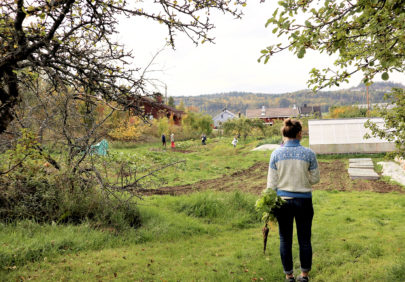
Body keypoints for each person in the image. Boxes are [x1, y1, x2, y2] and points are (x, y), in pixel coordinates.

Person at [264, 118, 320, 282]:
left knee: (285, 239)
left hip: (283, 203)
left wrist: (269, 204)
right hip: (304, 202)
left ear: (284, 134)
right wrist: (304, 180)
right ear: (299, 134)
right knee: (304, 239)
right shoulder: (309, 153)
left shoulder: (276, 154)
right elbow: (315, 179)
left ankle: (289, 276)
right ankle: (304, 276)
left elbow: (271, 184)